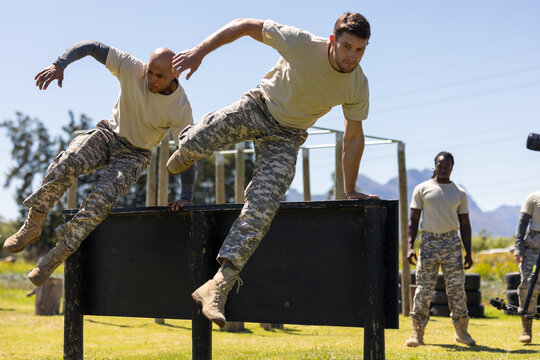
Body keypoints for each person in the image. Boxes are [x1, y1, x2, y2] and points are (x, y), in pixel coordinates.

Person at [166, 13, 379, 328]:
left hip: (286, 136)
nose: (351, 57)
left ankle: (217, 285)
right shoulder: (303, 44)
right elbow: (244, 25)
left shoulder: (358, 84)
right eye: (346, 47)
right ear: (333, 41)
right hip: (258, 107)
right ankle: (187, 149)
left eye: (359, 50)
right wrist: (199, 52)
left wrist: (349, 188)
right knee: (197, 141)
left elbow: (353, 136)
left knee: (263, 208)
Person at [2, 40, 195, 286]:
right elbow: (92, 46)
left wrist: (186, 194)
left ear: (174, 75)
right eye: (150, 72)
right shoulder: (131, 68)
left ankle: (53, 258)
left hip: (135, 155)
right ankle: (33, 223)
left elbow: (186, 150)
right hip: (107, 135)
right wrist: (60, 64)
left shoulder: (180, 108)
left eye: (159, 76)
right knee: (67, 161)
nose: (152, 80)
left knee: (100, 200)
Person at [405, 151, 476, 347]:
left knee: (457, 290)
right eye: (440, 164)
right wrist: (410, 246)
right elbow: (413, 221)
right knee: (423, 289)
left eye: (447, 165)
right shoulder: (422, 189)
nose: (443, 168)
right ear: (435, 165)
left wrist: (468, 252)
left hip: (452, 244)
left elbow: (465, 224)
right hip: (428, 243)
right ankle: (417, 334)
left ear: (452, 167)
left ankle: (462, 331)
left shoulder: (459, 192)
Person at [514, 190, 540, 343]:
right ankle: (526, 329)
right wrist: (518, 248)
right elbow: (522, 222)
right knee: (528, 285)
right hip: (533, 247)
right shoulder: (533, 197)